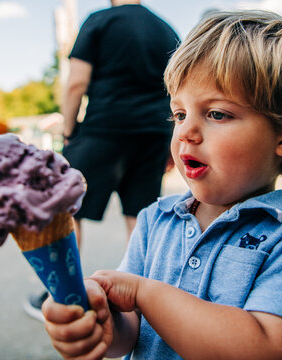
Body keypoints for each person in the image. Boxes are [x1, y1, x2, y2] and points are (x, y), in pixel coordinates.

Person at [42, 10, 282, 360]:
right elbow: (130, 329)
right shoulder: (154, 221)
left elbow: (267, 348)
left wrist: (143, 293)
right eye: (179, 114)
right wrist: (103, 321)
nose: (184, 132)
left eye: (216, 113)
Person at [23, 0, 180, 321]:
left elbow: (76, 83)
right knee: (141, 215)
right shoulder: (166, 30)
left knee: (68, 211)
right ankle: (144, 297)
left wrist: (69, 131)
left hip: (103, 129)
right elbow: (178, 91)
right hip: (153, 134)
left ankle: (63, 296)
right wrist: (171, 143)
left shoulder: (99, 21)